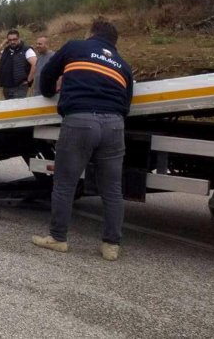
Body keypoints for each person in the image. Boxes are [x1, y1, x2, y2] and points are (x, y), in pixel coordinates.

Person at [32, 18, 133, 261]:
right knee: (112, 189)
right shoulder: (123, 65)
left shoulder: (75, 47)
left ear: (91, 34)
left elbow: (47, 73)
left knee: (65, 183)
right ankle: (111, 246)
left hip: (80, 120)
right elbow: (127, 103)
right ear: (114, 42)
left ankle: (58, 238)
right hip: (114, 125)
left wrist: (48, 93)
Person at [0, 29, 37, 99]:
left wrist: (29, 80)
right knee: (10, 109)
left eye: (14, 39)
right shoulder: (6, 50)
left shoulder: (27, 50)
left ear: (19, 39)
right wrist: (2, 44)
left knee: (19, 108)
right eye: (10, 40)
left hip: (20, 87)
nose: (12, 42)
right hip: (6, 87)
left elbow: (35, 64)